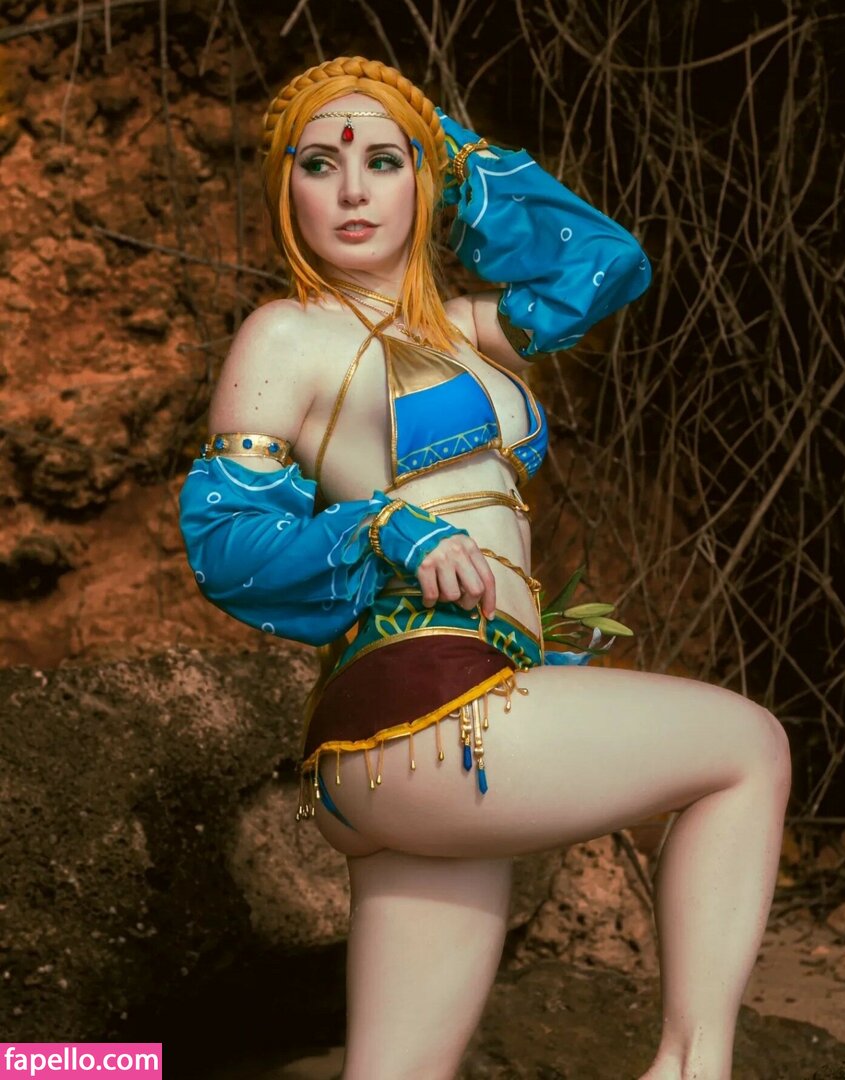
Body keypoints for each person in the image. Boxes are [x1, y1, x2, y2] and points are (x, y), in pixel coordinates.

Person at [179, 56, 791, 1080]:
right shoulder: (287, 334)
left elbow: (605, 262)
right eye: (319, 164)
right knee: (747, 747)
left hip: (436, 727)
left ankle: (53, 1067)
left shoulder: (466, 331)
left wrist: (451, 153)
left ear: (425, 181)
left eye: (384, 162)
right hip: (420, 702)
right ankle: (691, 1069)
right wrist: (385, 527)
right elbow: (225, 542)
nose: (353, 190)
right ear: (284, 187)